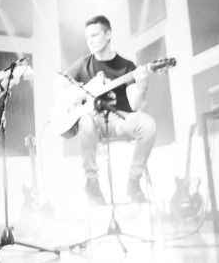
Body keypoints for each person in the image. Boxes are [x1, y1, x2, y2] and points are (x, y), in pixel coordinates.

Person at [59, 15, 157, 205]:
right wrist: (79, 94)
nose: (90, 41)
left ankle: (133, 181)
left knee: (148, 124)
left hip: (119, 119)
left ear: (108, 34)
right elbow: (58, 86)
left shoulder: (127, 66)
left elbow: (136, 105)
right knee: (85, 120)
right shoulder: (82, 65)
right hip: (93, 120)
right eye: (88, 37)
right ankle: (92, 182)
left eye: (95, 35)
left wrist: (142, 87)